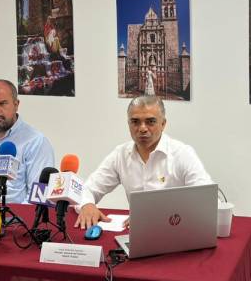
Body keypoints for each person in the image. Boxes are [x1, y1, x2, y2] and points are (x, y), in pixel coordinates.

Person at [75, 95, 213, 229]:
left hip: (176, 230)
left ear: (163, 124)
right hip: (138, 235)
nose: (142, 128)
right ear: (128, 124)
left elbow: (207, 201)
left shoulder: (182, 154)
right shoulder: (120, 154)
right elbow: (87, 189)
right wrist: (87, 204)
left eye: (150, 121)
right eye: (135, 122)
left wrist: (155, 216)